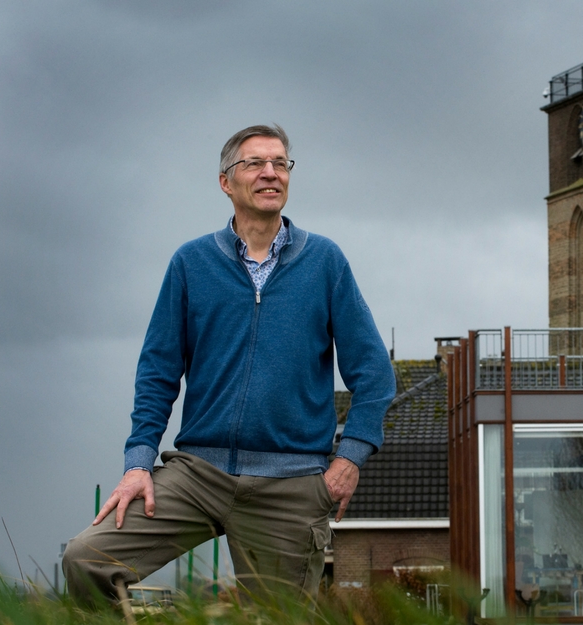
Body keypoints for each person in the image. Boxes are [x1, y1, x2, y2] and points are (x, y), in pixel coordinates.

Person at [62, 124, 396, 604]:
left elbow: (374, 376)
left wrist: (349, 458)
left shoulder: (325, 261)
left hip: (291, 483)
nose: (270, 174)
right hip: (198, 473)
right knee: (86, 559)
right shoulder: (190, 263)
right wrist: (138, 462)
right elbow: (157, 372)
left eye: (280, 164)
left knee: (277, 618)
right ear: (226, 182)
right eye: (255, 164)